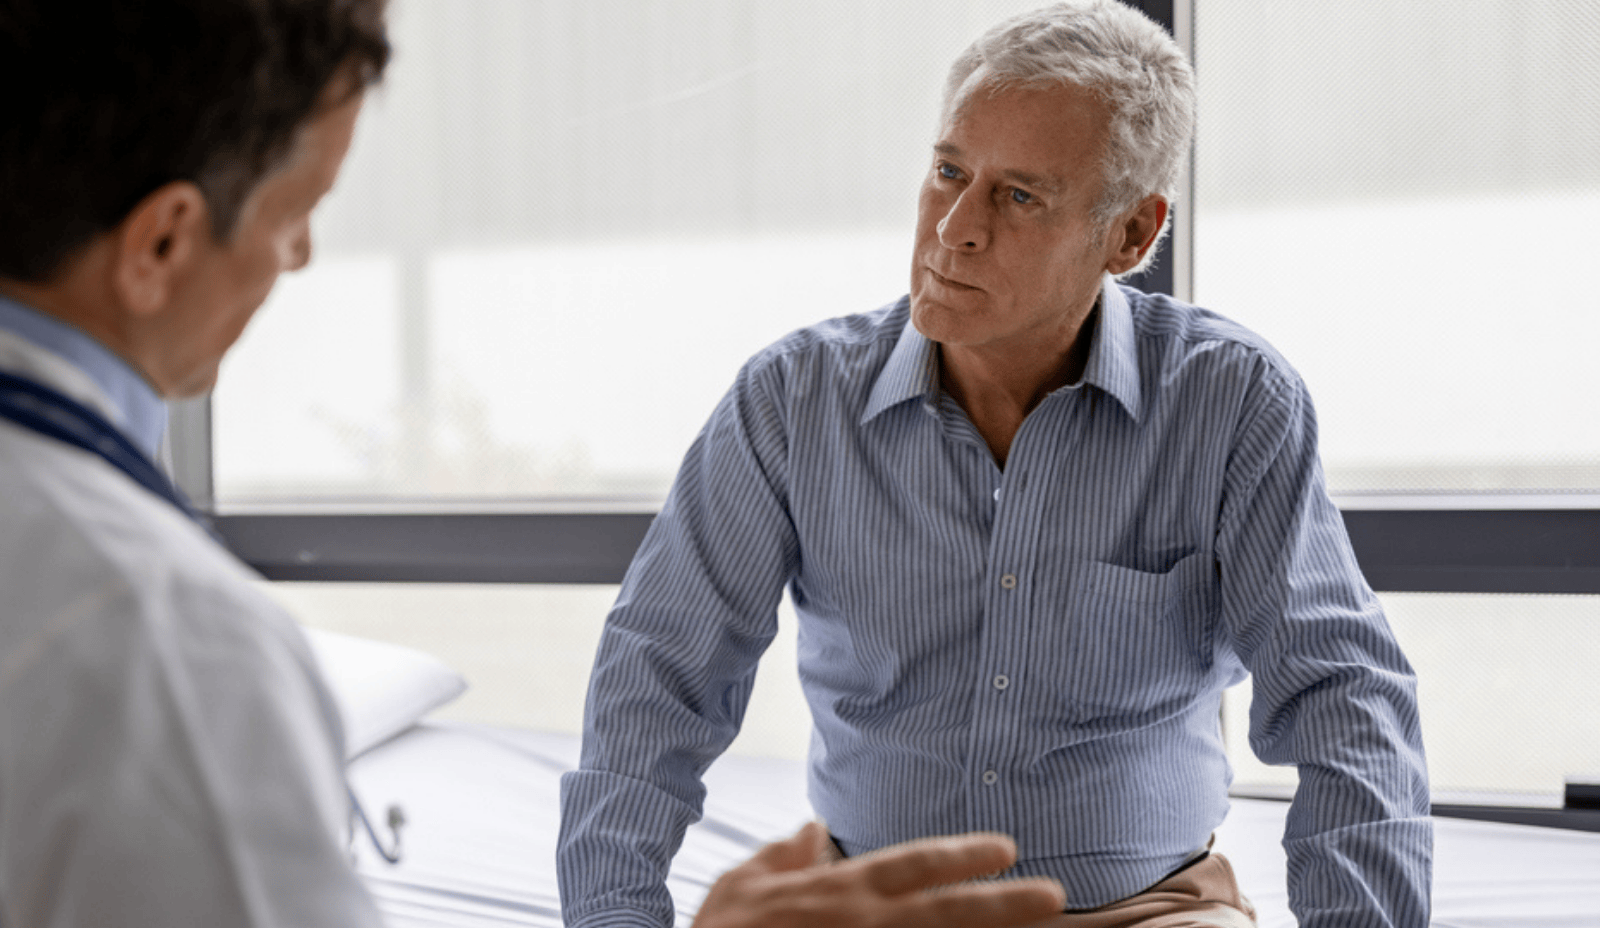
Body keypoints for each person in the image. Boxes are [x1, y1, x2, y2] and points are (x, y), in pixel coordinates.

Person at [0, 3, 1065, 926]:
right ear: (161, 246)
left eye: (1019, 196)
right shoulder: (164, 648)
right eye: (298, 214)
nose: (301, 257)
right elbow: (661, 672)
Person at [557, 2, 1432, 927]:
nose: (954, 228)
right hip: (873, 909)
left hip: (1146, 910)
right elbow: (658, 680)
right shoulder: (790, 400)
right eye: (949, 172)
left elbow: (1341, 697)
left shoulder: (1232, 401)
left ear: (1132, 235)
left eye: (1019, 197)